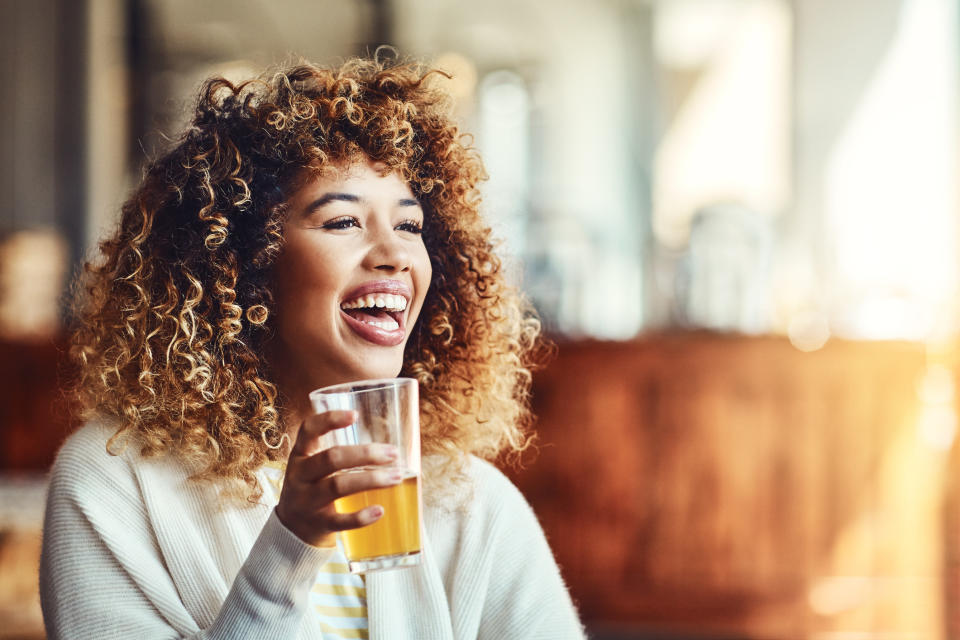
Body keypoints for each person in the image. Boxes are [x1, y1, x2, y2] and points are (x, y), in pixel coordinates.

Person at [39, 54, 584, 640]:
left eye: (409, 226)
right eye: (343, 223)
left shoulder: (470, 502)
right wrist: (291, 544)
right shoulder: (113, 482)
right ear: (244, 265)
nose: (395, 255)